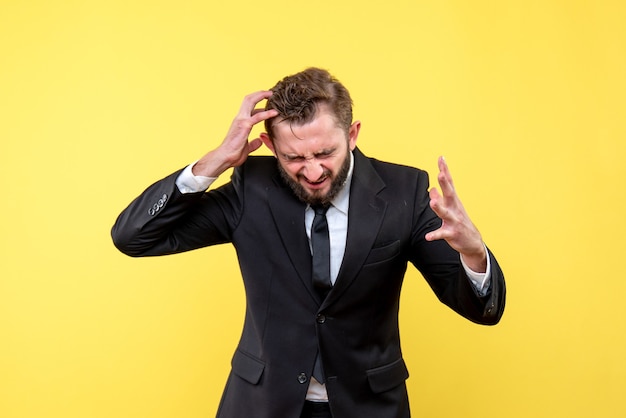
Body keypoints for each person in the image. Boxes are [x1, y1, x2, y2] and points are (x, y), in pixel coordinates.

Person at [111, 67, 506, 418]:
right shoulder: (251, 188)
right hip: (263, 404)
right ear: (269, 145)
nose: (313, 170)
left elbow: (482, 310)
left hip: (367, 406)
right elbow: (134, 237)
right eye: (293, 157)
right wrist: (214, 162)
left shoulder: (405, 190)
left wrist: (473, 253)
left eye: (325, 152)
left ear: (352, 135)